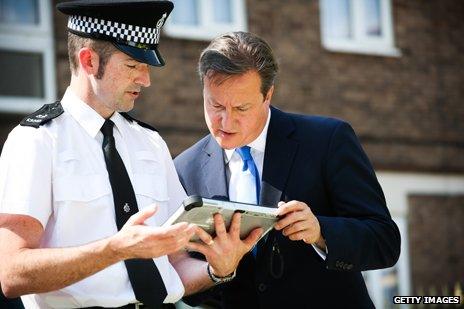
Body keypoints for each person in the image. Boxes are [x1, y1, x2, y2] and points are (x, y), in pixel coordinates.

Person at [0, 2, 261, 308]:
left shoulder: (150, 143)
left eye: (146, 66)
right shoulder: (37, 141)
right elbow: (11, 272)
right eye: (132, 65)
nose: (145, 79)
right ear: (89, 61)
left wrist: (218, 269)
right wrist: (115, 249)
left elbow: (175, 266)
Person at [174, 31, 402, 308]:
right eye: (216, 105)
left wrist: (321, 232)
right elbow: (189, 288)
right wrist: (218, 270)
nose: (226, 121)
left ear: (267, 94)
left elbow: (385, 242)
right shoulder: (184, 168)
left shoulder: (327, 140)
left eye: (241, 108)